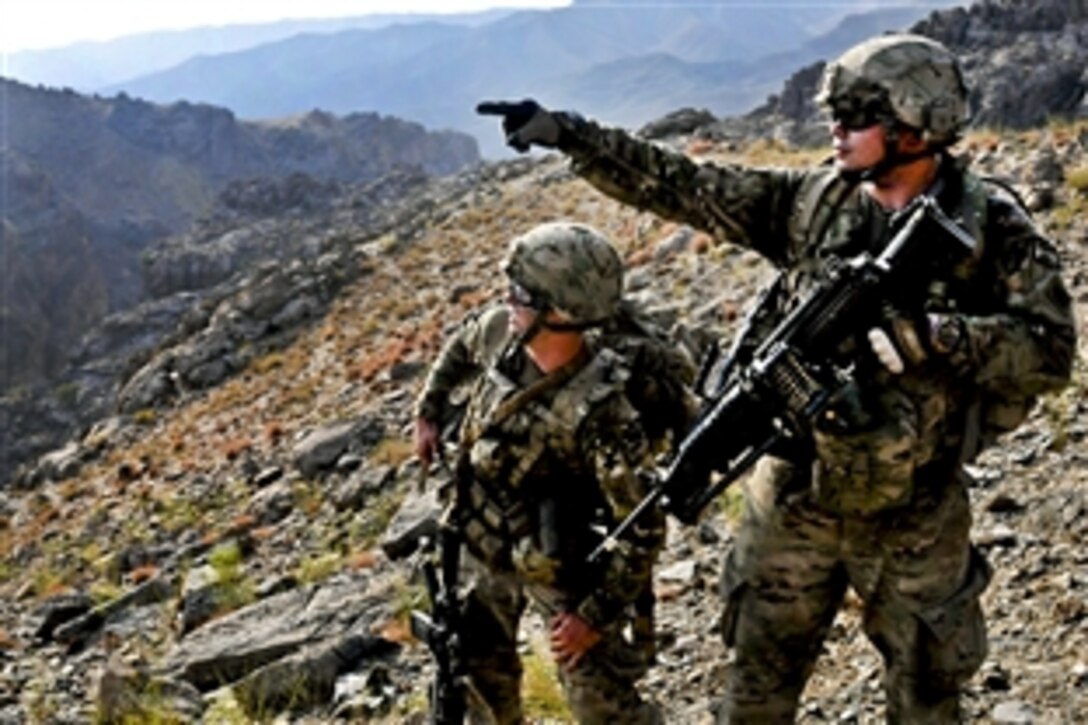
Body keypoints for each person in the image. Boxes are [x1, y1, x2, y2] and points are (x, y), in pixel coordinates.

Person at [478, 34, 1076, 722]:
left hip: (915, 510)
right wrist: (568, 135)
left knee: (927, 696)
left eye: (856, 114)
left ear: (916, 122)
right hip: (794, 498)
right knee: (756, 693)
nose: (836, 130)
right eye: (836, 112)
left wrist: (941, 337)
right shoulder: (813, 202)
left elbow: (1052, 350)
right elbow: (685, 187)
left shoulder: (991, 228)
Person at [414, 221, 694, 724]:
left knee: (602, 706)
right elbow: (460, 346)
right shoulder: (502, 331)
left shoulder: (602, 411)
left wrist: (592, 617)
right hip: (482, 541)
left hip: (558, 560)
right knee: (477, 680)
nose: (508, 301)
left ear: (562, 312)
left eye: (521, 294)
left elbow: (644, 528)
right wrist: (429, 409)